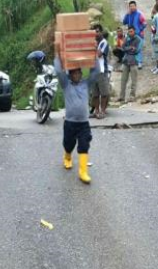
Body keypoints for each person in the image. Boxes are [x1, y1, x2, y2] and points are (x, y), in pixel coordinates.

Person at [54, 51, 99, 184]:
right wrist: (57, 56)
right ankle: (67, 157)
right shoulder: (66, 85)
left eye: (79, 73)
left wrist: (95, 56)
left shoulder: (86, 84)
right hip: (70, 123)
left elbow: (95, 72)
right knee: (68, 144)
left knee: (84, 144)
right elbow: (59, 71)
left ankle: (83, 172)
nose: (77, 75)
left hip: (84, 124)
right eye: (74, 73)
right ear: (70, 75)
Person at [90, 25, 111, 119]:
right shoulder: (93, 42)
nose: (96, 33)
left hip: (101, 71)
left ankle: (102, 111)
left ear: (101, 32)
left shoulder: (104, 43)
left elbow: (99, 54)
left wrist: (94, 46)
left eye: (97, 31)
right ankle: (96, 111)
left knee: (104, 93)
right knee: (95, 94)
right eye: (94, 32)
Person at [118, 26, 142, 103]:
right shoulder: (127, 38)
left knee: (134, 80)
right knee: (123, 80)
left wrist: (128, 49)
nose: (130, 33)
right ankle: (121, 96)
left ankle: (132, 96)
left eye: (131, 31)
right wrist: (130, 48)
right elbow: (123, 48)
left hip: (134, 61)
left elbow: (137, 50)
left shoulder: (139, 39)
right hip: (126, 61)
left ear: (134, 31)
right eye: (129, 31)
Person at [122, 1, 146, 69]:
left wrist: (139, 29)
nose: (132, 7)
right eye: (130, 6)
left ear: (135, 6)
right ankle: (128, 61)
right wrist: (126, 14)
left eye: (133, 6)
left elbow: (144, 23)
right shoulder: (128, 15)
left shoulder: (139, 14)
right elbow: (124, 22)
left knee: (138, 49)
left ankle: (139, 62)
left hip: (138, 35)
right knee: (129, 47)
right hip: (130, 35)